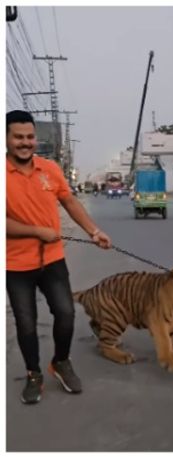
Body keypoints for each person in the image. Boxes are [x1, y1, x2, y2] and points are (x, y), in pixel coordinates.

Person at [6, 110, 112, 404]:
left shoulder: (49, 169)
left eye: (29, 137)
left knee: (65, 313)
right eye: (18, 137)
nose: (25, 143)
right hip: (16, 265)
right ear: (7, 138)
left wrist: (94, 231)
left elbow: (69, 201)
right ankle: (33, 374)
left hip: (52, 260)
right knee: (26, 324)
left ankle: (61, 362)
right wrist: (38, 230)